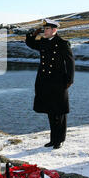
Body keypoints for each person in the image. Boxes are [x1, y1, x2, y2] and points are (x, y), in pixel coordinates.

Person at [25, 19, 75, 149]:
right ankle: (53, 140)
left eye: (46, 29)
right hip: (44, 82)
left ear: (54, 30)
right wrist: (32, 34)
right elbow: (30, 43)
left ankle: (60, 139)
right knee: (50, 111)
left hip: (58, 82)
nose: (44, 31)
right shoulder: (43, 42)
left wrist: (69, 80)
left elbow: (70, 63)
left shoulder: (63, 44)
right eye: (44, 29)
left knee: (59, 112)